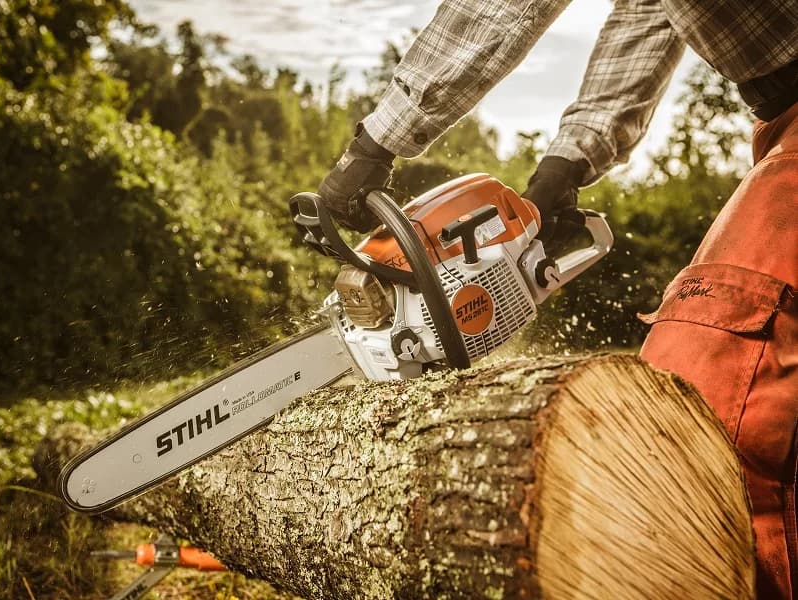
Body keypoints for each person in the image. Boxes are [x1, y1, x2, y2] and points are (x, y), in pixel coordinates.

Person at [316, 1, 798, 597]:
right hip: (780, 123)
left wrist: (378, 139)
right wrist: (567, 164)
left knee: (716, 400)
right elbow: (650, 15)